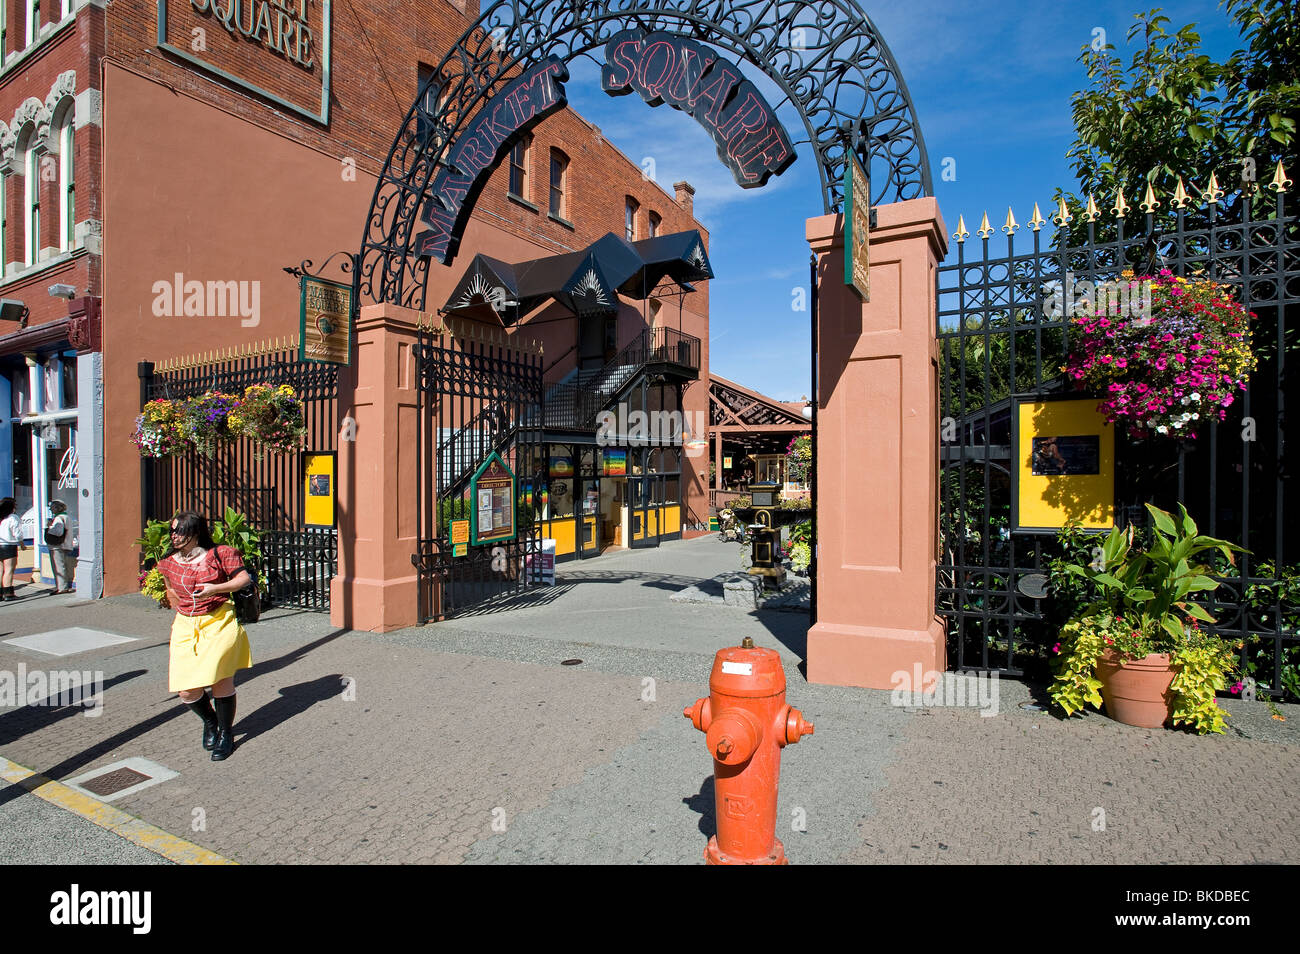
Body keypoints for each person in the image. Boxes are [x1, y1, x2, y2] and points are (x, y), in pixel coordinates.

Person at [155, 511, 253, 761]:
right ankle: (210, 721)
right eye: (173, 531)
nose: (174, 536)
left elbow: (243, 579)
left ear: (195, 532)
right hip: (186, 624)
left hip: (219, 620)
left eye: (180, 531)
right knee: (186, 689)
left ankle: (225, 734)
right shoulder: (167, 561)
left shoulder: (221, 554)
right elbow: (170, 591)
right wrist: (178, 605)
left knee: (220, 679)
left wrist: (216, 589)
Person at [45, 500, 75, 594]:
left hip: (58, 546)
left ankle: (61, 587)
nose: (50, 509)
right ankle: (66, 585)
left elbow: (58, 532)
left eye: (52, 507)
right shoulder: (67, 517)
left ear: (57, 508)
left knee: (58, 567)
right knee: (65, 566)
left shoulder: (58, 518)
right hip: (66, 544)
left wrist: (49, 527)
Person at [0, 498, 24, 601]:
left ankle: (0, 593)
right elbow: (17, 534)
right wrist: (22, 544)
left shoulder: (1, 518)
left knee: (0, 570)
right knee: (9, 570)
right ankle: (9, 593)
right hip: (9, 545)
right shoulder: (13, 517)